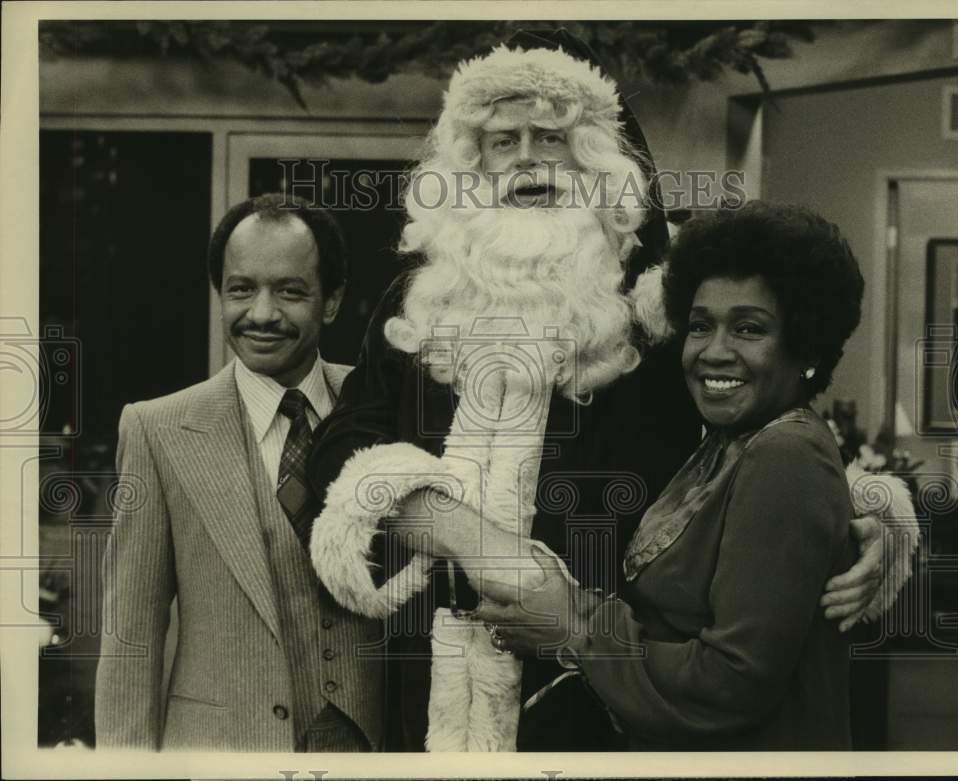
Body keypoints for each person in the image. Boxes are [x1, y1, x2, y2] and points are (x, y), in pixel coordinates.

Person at [306, 40, 907, 752]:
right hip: (428, 675)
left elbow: (754, 437)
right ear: (473, 161)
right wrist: (473, 541)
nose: (527, 160)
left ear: (595, 155)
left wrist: (868, 513)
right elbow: (341, 451)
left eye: (551, 137)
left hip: (609, 687)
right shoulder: (418, 303)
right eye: (504, 140)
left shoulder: (661, 304)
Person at [478, 201, 907, 749]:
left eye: (749, 329)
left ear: (806, 345)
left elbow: (728, 685)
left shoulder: (784, 454)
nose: (714, 351)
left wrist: (575, 629)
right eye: (701, 326)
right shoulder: (731, 440)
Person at [95, 194, 384, 751]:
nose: (262, 314)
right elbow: (131, 635)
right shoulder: (157, 430)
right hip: (218, 752)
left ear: (331, 301)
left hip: (368, 752)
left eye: (290, 291)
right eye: (241, 289)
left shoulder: (380, 407)